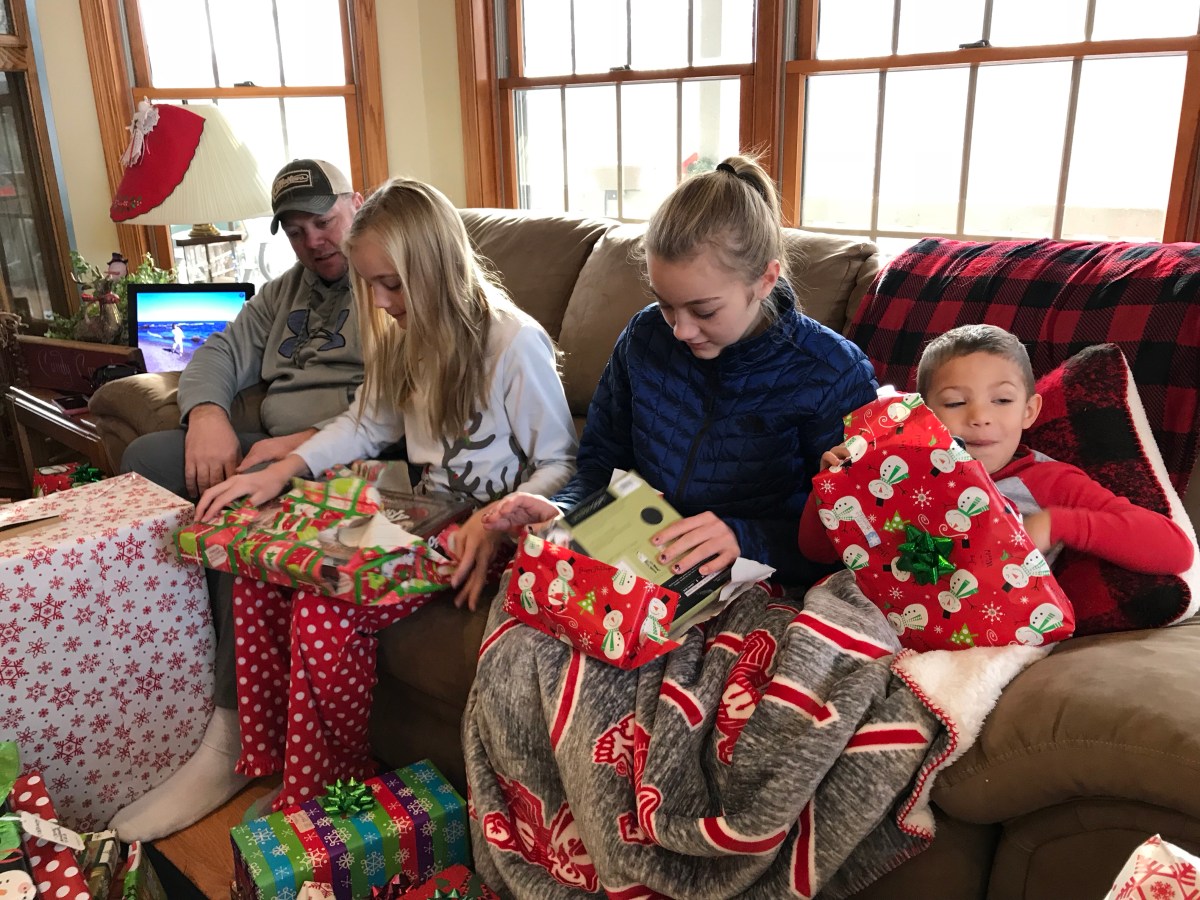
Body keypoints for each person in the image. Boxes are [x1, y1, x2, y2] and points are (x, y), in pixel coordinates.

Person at [190, 177, 578, 812]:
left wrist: (497, 518)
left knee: (323, 611)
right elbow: (366, 424)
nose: (379, 301)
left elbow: (561, 464)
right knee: (269, 573)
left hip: (492, 535)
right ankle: (270, 758)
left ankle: (331, 790)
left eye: (391, 284)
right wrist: (281, 470)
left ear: (436, 267)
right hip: (425, 515)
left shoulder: (513, 341)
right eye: (370, 284)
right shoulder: (404, 334)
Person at [111, 158, 366, 841]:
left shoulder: (389, 277)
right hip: (272, 446)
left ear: (358, 202)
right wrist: (206, 416)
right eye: (296, 229)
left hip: (346, 455)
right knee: (146, 461)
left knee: (235, 511)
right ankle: (171, 678)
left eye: (325, 220)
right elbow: (219, 353)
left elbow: (404, 401)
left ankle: (231, 735)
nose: (314, 240)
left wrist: (300, 448)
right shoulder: (286, 291)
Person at [483, 156, 878, 585]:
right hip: (638, 561)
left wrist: (744, 538)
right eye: (666, 304)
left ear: (765, 280)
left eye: (704, 311)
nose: (681, 330)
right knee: (523, 588)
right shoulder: (645, 335)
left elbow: (853, 538)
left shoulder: (832, 372)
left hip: (754, 578)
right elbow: (601, 464)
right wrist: (565, 511)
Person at [799, 323, 1194, 576]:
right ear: (922, 413)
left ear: (1029, 411)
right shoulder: (898, 471)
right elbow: (817, 552)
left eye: (1002, 401)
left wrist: (1058, 524)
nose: (980, 418)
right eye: (955, 402)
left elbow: (1176, 550)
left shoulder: (1049, 482)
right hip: (879, 613)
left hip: (992, 633)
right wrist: (830, 489)